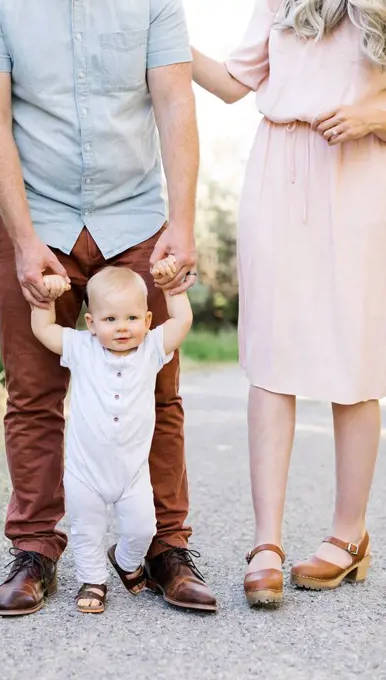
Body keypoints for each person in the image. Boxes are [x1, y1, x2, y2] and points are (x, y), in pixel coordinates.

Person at [0, 0, 217, 615]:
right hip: (35, 218)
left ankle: (164, 546)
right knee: (33, 394)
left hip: (136, 218)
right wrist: (23, 240)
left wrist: (181, 221)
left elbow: (176, 100)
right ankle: (36, 547)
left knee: (158, 391)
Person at [192, 0, 386, 606]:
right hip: (277, 170)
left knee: (353, 359)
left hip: (359, 173)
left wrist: (372, 111)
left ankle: (348, 536)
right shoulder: (279, 2)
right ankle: (266, 544)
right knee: (271, 354)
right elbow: (231, 82)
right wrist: (158, 26)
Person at [30, 259, 200, 614]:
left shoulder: (151, 350)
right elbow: (44, 330)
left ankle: (125, 560)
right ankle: (93, 581)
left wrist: (171, 289)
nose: (122, 328)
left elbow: (182, 321)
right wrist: (42, 301)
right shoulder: (81, 348)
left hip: (132, 474)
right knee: (86, 530)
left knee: (143, 528)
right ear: (91, 323)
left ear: (148, 321)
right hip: (84, 473)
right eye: (110, 320)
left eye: (132, 319)